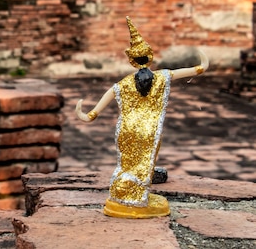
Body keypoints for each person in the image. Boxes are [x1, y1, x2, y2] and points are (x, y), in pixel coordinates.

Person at [75, 17, 209, 218]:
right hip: (150, 130)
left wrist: (88, 115)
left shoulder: (124, 83)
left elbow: (102, 102)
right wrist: (201, 66)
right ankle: (137, 198)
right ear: (150, 57)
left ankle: (125, 195)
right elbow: (193, 70)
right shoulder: (162, 76)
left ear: (131, 60)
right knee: (145, 163)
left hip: (127, 128)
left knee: (127, 163)